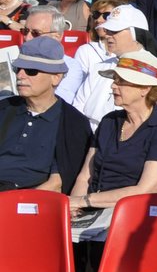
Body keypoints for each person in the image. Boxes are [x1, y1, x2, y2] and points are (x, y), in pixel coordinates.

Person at [67, 48, 157, 242]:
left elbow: (145, 191)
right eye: (115, 80)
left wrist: (84, 201)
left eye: (121, 82)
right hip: (97, 210)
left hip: (141, 215)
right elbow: (85, 175)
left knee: (101, 244)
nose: (113, 86)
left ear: (144, 89)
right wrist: (72, 207)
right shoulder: (109, 122)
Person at [0, 37, 92, 192]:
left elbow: (56, 183)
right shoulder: (4, 109)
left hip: (31, 201)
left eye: (31, 71)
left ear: (56, 78)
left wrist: (15, 204)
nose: (20, 75)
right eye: (18, 69)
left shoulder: (72, 123)